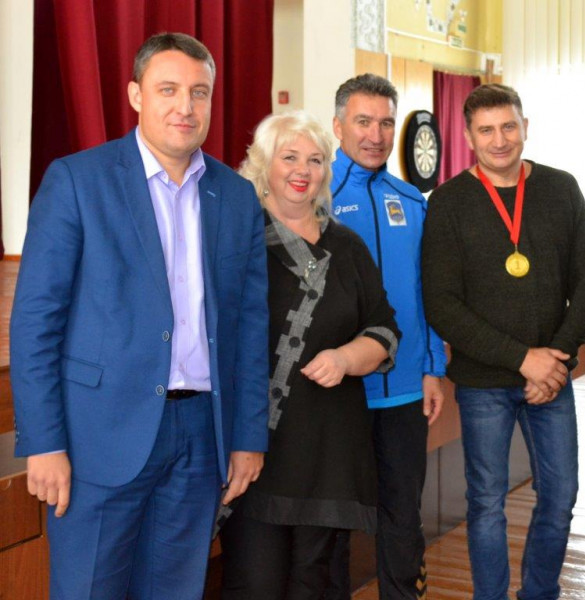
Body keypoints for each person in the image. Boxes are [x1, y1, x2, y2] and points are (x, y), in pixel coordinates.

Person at [9, 33, 270, 599]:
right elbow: (35, 322)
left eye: (199, 92)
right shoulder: (78, 181)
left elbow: (250, 330)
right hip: (96, 436)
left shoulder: (237, 196)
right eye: (168, 89)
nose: (185, 107)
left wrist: (248, 436)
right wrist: (44, 442)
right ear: (135, 95)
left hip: (201, 438)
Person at [421, 83, 585, 600]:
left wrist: (555, 362)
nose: (499, 140)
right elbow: (442, 304)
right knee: (486, 503)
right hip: (483, 383)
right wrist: (524, 360)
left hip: (553, 380)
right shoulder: (448, 202)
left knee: (560, 496)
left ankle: (540, 593)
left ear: (525, 127)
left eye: (508, 127)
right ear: (467, 136)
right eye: (486, 130)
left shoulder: (561, 188)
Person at [219, 110, 400, 599]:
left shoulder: (348, 246)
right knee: (255, 584)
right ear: (264, 164)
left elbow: (385, 328)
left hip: (330, 451)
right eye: (290, 157)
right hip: (257, 447)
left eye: (316, 160)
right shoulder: (235, 241)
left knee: (315, 583)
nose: (303, 170)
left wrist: (345, 359)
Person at [326, 73, 447, 599]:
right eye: (363, 122)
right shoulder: (314, 196)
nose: (375, 135)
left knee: (402, 516)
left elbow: (426, 291)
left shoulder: (413, 201)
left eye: (385, 123)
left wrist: (433, 369)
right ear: (338, 126)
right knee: (331, 522)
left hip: (403, 390)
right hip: (336, 392)